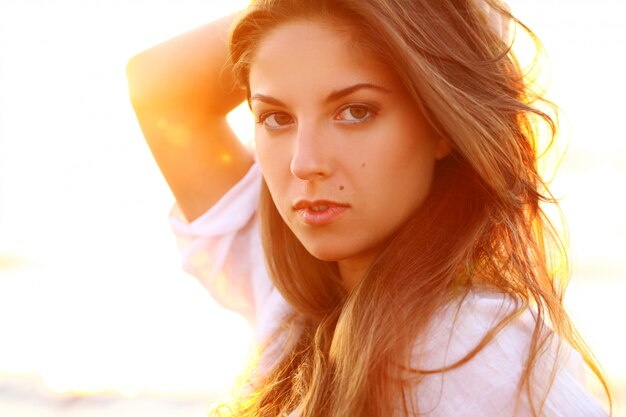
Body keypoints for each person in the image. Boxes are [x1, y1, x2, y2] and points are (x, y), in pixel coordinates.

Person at [126, 0, 612, 416]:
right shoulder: (294, 302)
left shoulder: (473, 346)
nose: (304, 162)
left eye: (355, 112)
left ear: (439, 123)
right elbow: (161, 93)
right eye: (276, 118)